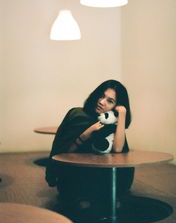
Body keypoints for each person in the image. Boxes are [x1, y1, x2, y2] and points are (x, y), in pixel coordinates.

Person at [46, 79, 134, 212]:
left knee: (110, 202)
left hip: (101, 175)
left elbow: (118, 150)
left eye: (110, 101)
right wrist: (88, 132)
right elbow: (64, 152)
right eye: (101, 96)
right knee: (85, 204)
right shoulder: (77, 115)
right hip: (75, 174)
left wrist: (121, 115)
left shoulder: (111, 124)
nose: (101, 102)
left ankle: (98, 198)